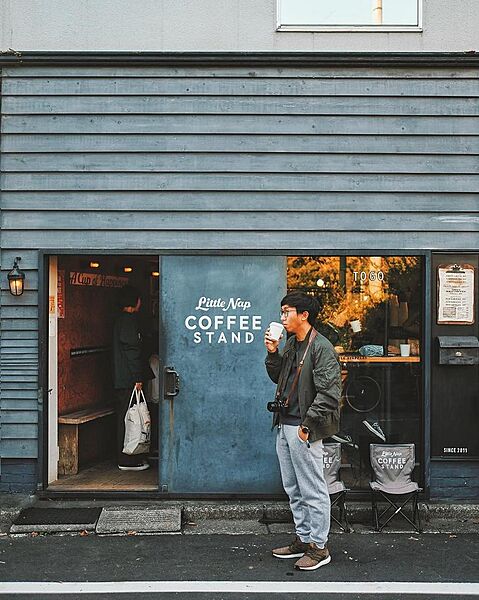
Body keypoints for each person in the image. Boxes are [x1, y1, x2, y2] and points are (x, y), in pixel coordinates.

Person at [264, 291, 341, 571]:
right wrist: (272, 352)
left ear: (303, 315)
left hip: (303, 427)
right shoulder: (293, 345)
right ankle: (304, 538)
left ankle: (319, 547)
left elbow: (330, 394)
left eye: (287, 312)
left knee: (313, 489)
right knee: (293, 487)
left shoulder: (321, 348)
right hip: (285, 424)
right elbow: (278, 377)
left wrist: (307, 426)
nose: (282, 317)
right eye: (282, 312)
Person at [112, 285, 153, 471]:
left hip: (121, 377)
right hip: (128, 379)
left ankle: (129, 454)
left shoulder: (120, 320)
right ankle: (128, 458)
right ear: (134, 302)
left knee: (128, 417)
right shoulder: (128, 321)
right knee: (130, 418)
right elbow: (132, 350)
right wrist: (137, 377)